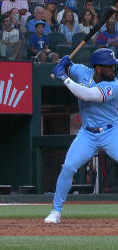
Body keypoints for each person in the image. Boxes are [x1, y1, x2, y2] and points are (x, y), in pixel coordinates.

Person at [44, 48, 118, 224]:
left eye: (114, 66)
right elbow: (69, 66)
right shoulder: (83, 72)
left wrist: (63, 77)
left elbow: (87, 94)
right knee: (68, 167)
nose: (113, 69)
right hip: (87, 133)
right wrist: (64, 63)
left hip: (111, 131)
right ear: (98, 68)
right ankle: (56, 211)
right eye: (110, 67)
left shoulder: (113, 85)